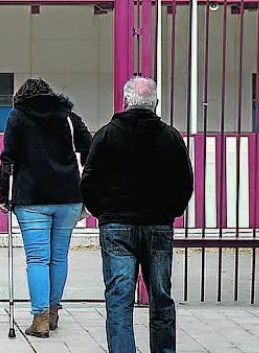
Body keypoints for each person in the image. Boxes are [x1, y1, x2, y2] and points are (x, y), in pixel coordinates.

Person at [81, 77, 193, 353]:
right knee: (161, 297)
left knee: (119, 298)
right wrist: (171, 211)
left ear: (125, 102)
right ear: (155, 103)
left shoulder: (107, 135)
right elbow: (184, 181)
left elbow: (89, 181)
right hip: (158, 225)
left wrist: (103, 212)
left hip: (116, 225)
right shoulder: (170, 137)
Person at [0, 77, 92, 338]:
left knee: (37, 258)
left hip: (32, 198)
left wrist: (4, 194)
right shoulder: (68, 117)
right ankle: (53, 313)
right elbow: (89, 148)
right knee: (59, 257)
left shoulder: (18, 117)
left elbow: (9, 159)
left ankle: (39, 320)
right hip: (68, 196)